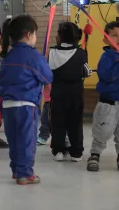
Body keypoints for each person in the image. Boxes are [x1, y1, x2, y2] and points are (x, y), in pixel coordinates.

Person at [0, 14, 53, 185]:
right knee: (27, 141)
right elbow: (48, 77)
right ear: (29, 34)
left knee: (14, 140)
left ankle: (17, 170)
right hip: (26, 106)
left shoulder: (7, 57)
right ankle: (25, 174)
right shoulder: (33, 56)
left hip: (8, 106)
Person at [87, 21, 119, 172]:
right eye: (114, 35)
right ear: (106, 39)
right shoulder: (107, 57)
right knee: (103, 130)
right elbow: (107, 76)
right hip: (108, 104)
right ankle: (95, 154)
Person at [49, 22, 92, 162]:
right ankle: (76, 152)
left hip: (57, 93)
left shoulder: (52, 52)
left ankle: (58, 151)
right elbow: (86, 72)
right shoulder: (80, 53)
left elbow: (49, 71)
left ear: (60, 37)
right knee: (75, 122)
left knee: (58, 122)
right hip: (75, 94)